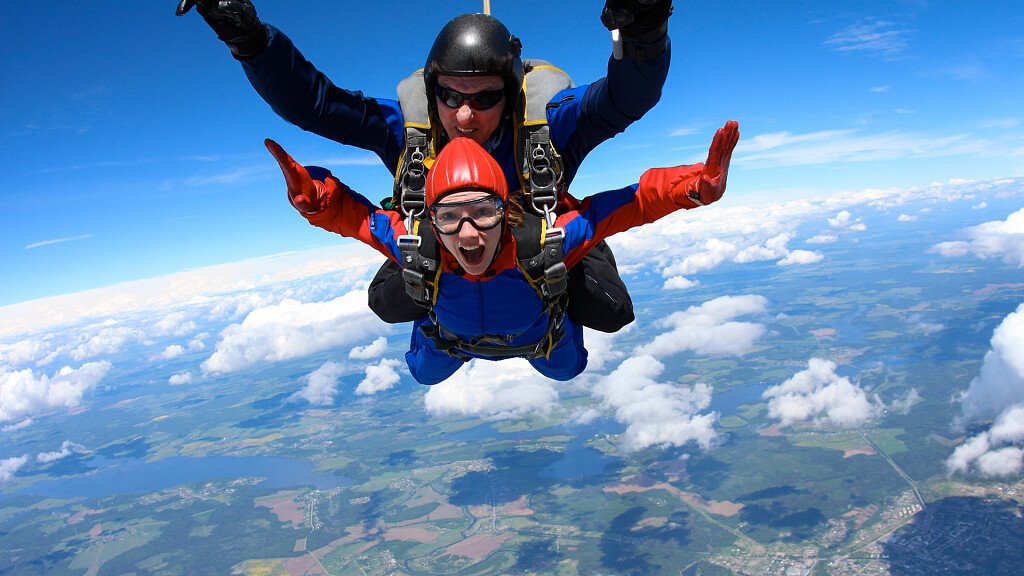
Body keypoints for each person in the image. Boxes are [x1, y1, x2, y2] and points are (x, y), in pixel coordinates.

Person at [178, 0, 674, 333]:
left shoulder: (547, 126)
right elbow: (315, 104)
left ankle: (544, 294)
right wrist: (250, 41)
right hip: (447, 243)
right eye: (449, 95)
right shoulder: (409, 131)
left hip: (542, 242)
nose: (463, 115)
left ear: (511, 95)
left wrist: (645, 30)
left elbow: (625, 98)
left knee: (610, 313)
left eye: (485, 99)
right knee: (389, 305)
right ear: (432, 90)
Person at [265, 120, 739, 385]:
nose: (468, 233)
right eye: (449, 217)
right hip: (452, 342)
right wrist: (314, 198)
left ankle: (575, 281)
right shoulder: (419, 244)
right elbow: (356, 218)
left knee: (569, 369)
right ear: (430, 217)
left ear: (504, 208)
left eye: (482, 212)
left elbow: (632, 202)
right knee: (423, 374)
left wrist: (693, 187)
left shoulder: (544, 240)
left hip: (539, 338)